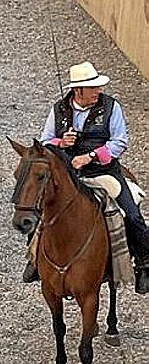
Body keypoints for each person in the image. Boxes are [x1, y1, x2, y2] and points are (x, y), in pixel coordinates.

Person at [25, 61, 149, 294]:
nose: (98, 91)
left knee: (131, 215)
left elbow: (119, 142)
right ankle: (35, 261)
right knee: (37, 209)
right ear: (77, 90)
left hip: (103, 172)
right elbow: (45, 141)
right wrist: (61, 143)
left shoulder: (112, 108)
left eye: (98, 87)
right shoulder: (58, 109)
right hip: (68, 174)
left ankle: (144, 263)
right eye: (92, 88)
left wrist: (91, 156)